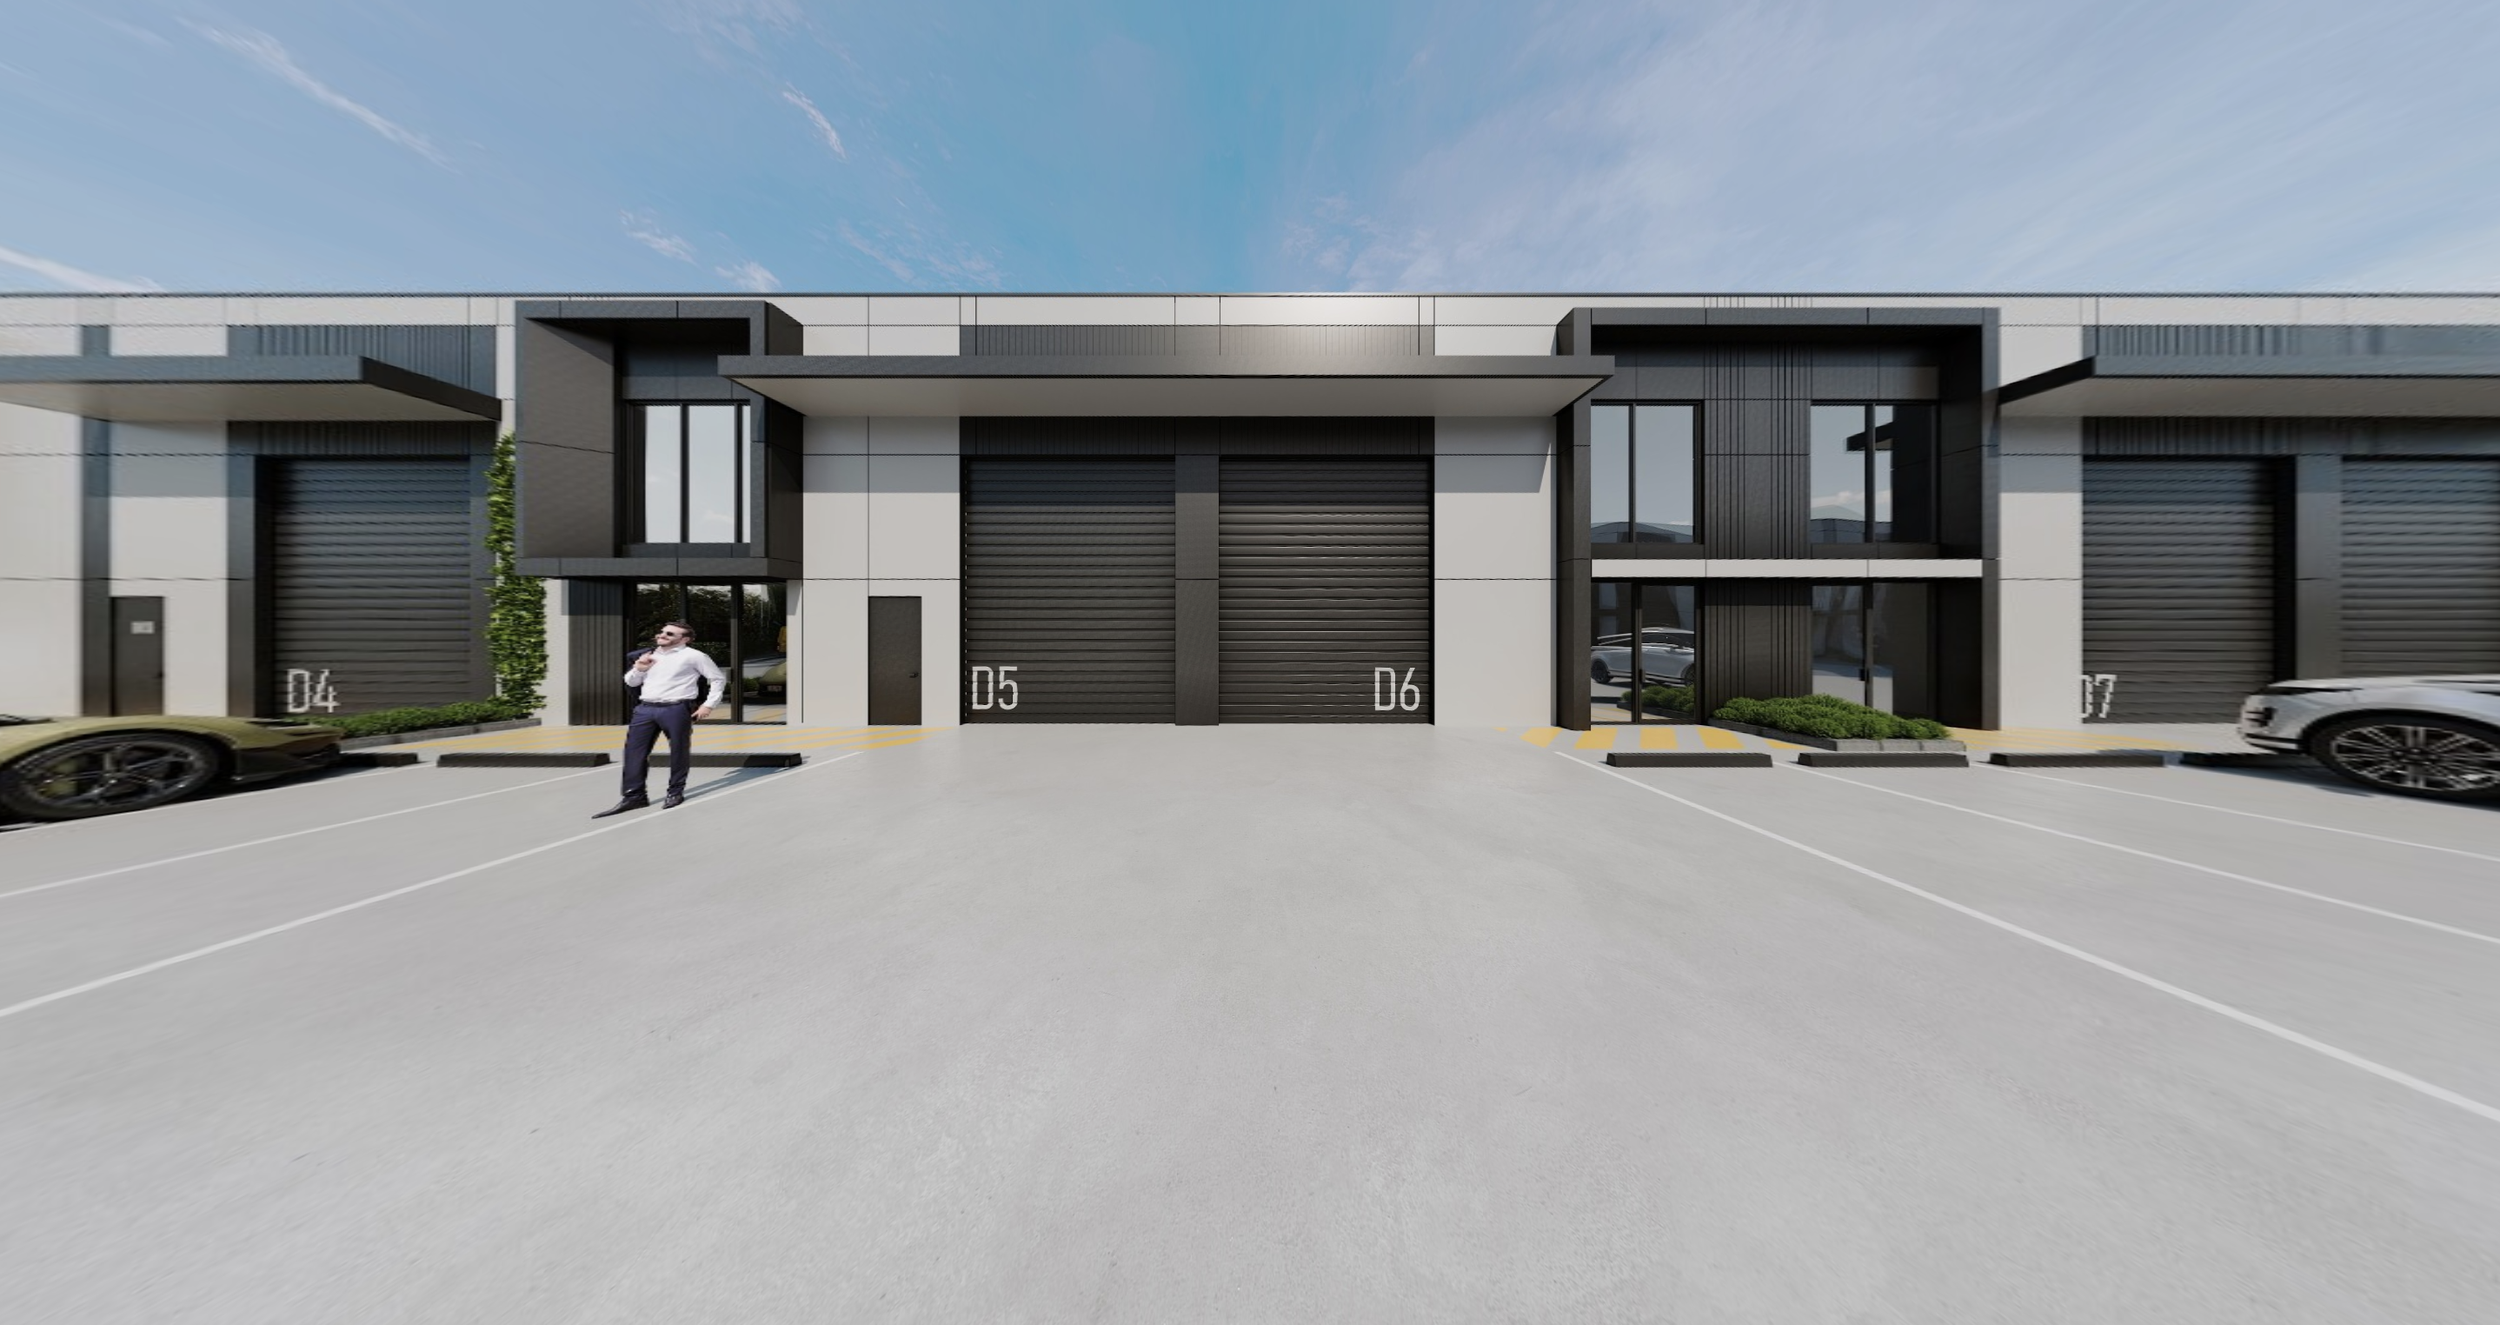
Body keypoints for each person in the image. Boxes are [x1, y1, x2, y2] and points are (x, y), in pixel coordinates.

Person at [594, 620, 726, 817]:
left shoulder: (694, 656)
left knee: (678, 752)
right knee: (634, 753)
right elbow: (631, 681)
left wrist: (708, 705)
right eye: (662, 632)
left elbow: (718, 678)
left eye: (670, 634)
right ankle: (634, 796)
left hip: (676, 708)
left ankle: (675, 792)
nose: (662, 635)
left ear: (685, 639)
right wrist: (639, 668)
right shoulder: (647, 656)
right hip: (645, 708)